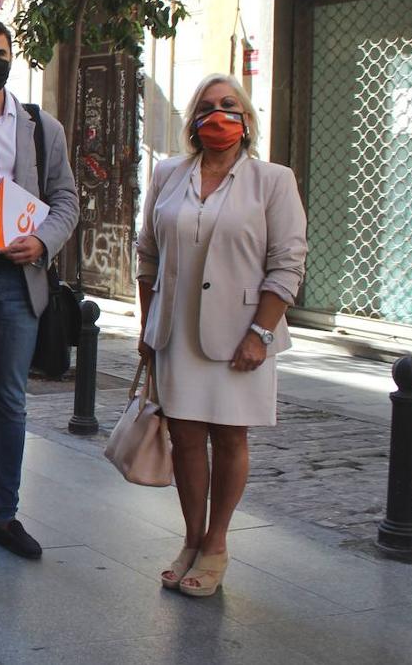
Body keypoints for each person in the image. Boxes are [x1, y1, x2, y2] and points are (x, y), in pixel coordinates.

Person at [135, 73, 307, 597]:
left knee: (230, 437)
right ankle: (191, 538)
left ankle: (217, 544)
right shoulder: (167, 174)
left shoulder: (272, 180)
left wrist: (260, 332)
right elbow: (147, 254)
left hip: (241, 337)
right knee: (185, 438)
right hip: (175, 331)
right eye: (207, 106)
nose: (218, 114)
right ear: (193, 121)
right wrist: (147, 324)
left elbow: (287, 263)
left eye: (229, 105)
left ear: (247, 119)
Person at [0, 18, 78, 559]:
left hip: (18, 284)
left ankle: (4, 515)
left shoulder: (41, 128)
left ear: (11, 58)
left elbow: (66, 199)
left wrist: (44, 243)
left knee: (11, 403)